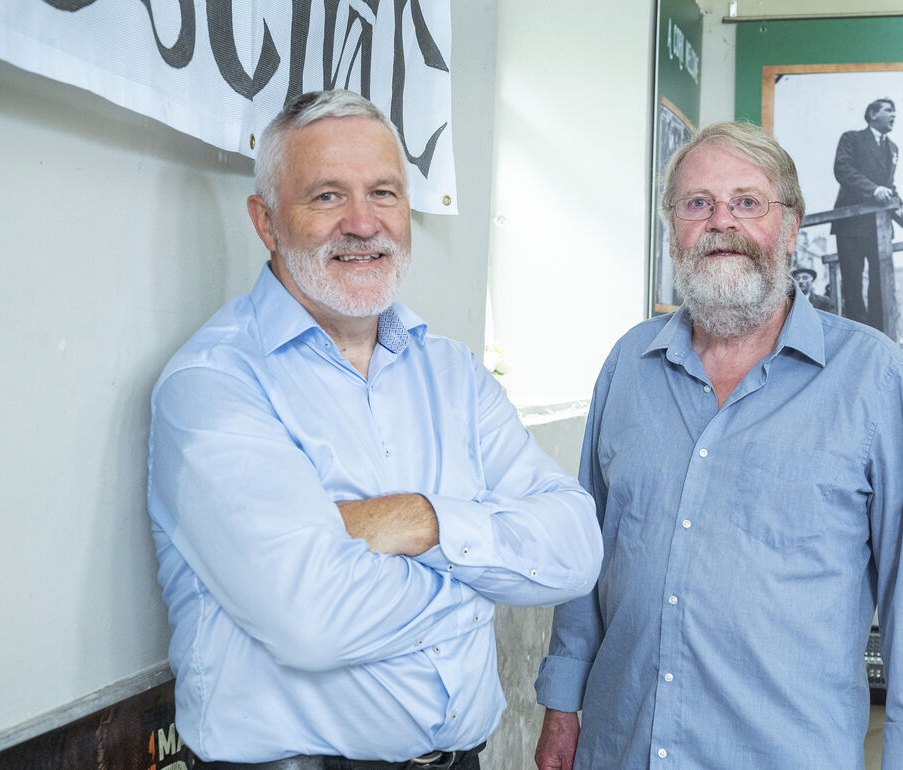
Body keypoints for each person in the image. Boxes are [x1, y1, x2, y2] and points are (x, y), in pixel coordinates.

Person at [147, 89, 602, 769]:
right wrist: (487, 586)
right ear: (266, 221)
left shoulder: (455, 376)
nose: (364, 224)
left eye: (384, 192)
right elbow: (313, 618)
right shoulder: (214, 385)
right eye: (328, 196)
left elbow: (576, 549)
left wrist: (421, 521)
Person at [533, 122, 903, 769]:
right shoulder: (627, 365)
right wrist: (562, 705)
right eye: (697, 203)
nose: (720, 222)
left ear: (790, 228)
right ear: (673, 226)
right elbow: (587, 555)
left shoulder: (871, 375)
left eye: (748, 203)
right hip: (620, 747)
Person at [831, 98, 900, 332]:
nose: (894, 115)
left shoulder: (893, 148)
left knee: (880, 283)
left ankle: (877, 335)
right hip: (851, 226)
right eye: (889, 111)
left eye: (894, 112)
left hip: (878, 228)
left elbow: (888, 185)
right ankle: (856, 337)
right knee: (853, 283)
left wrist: (900, 204)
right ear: (872, 114)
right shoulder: (851, 139)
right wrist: (872, 189)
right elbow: (843, 169)